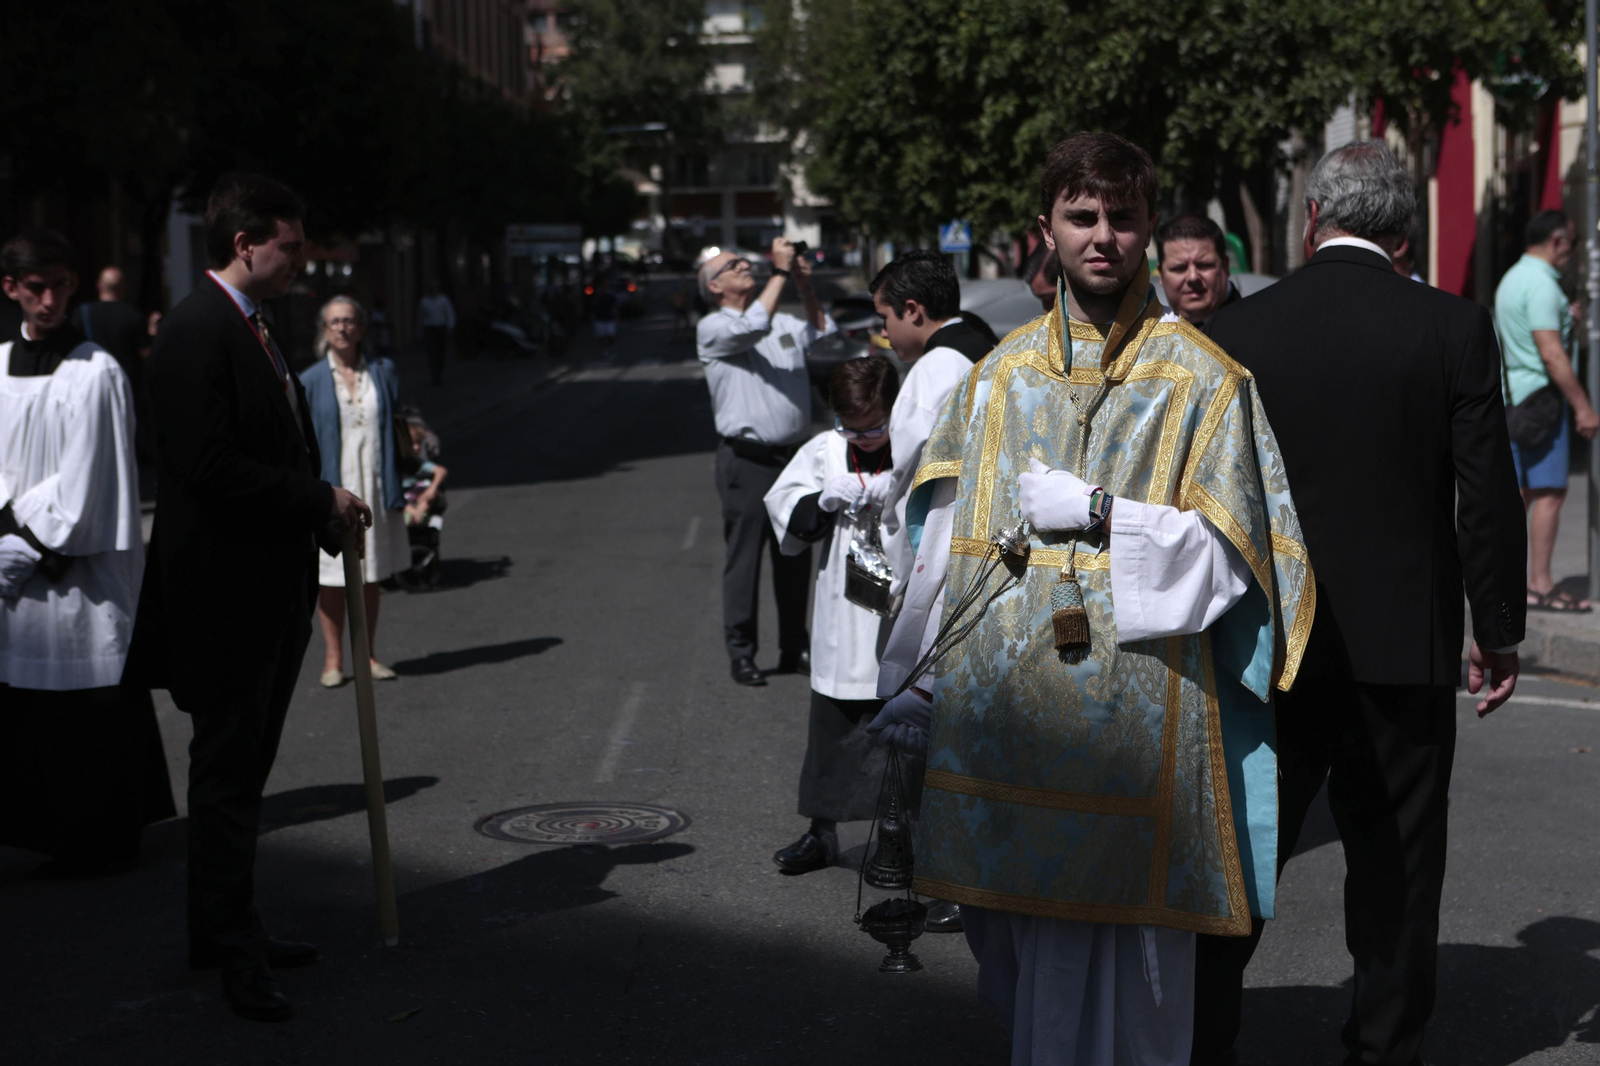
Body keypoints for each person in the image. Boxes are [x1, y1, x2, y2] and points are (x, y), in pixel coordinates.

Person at [868, 132, 1314, 1064]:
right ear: (1047, 231)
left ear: (1150, 226)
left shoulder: (1204, 381)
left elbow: (1241, 562)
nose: (1103, 236)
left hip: (1146, 723)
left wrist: (1108, 516)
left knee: (1144, 970)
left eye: (1123, 216)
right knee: (1032, 965)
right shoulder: (997, 381)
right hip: (1019, 726)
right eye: (1082, 216)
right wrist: (912, 678)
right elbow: (950, 543)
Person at [1198, 141, 1525, 1066]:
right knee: (1397, 869)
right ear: (1406, 229)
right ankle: (1383, 1047)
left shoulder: (1237, 333)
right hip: (1402, 646)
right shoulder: (1451, 327)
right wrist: (1496, 629)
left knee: (1244, 852)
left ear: (1311, 220)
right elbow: (1485, 495)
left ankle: (1201, 1035)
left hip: (1265, 643)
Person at [130, 173, 372, 1023]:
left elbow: (278, 445)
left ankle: (228, 926)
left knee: (243, 779)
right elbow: (207, 469)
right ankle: (232, 953)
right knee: (228, 781)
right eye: (291, 244)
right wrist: (317, 501)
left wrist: (320, 508)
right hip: (224, 601)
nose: (302, 258)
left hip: (268, 592)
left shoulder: (258, 325)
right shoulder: (197, 331)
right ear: (245, 244)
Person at [0, 230, 174, 876]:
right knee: (30, 707)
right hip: (15, 574)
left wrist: (16, 545)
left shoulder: (96, 371)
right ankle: (46, 834)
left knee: (85, 709)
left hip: (73, 569)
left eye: (60, 287)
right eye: (35, 287)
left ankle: (100, 836)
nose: (49, 300)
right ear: (11, 288)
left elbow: (86, 481)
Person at [764, 356, 900, 875]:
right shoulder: (824, 450)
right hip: (844, 611)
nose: (863, 438)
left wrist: (902, 494)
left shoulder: (915, 446)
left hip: (897, 608)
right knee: (832, 722)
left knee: (899, 730)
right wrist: (821, 503)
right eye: (851, 427)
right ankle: (821, 832)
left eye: (875, 426)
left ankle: (897, 836)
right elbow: (785, 511)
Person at [697, 238, 835, 687]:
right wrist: (778, 274)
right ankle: (741, 651)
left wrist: (803, 286)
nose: (744, 267)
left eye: (744, 261)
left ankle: (794, 645)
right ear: (715, 287)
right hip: (748, 459)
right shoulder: (714, 327)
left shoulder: (780, 320)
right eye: (732, 266)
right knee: (745, 559)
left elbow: (822, 331)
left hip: (794, 458)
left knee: (793, 552)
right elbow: (752, 326)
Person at [867, 250, 994, 591]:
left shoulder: (929, 374)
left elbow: (911, 483)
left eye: (884, 318)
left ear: (911, 310)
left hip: (947, 552)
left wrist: (898, 573)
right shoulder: (994, 350)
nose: (884, 331)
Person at [300, 296, 410, 688]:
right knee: (331, 578)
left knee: (368, 575)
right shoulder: (310, 380)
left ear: (361, 328)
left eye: (349, 321)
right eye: (335, 322)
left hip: (375, 488)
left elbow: (400, 421)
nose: (343, 328)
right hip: (334, 489)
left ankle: (368, 653)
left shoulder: (382, 372)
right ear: (325, 331)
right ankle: (333, 658)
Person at [1495, 208, 1596, 613]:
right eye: (1570, 242)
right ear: (1556, 241)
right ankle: (1538, 584)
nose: (1571, 250)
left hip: (1514, 396)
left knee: (1520, 494)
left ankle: (1508, 583)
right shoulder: (1541, 286)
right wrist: (1584, 407)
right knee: (1550, 493)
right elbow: (1551, 354)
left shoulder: (1515, 278)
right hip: (1540, 398)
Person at [1155, 214, 1240, 332]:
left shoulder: (1255, 327)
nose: (1193, 277)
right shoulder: (1149, 333)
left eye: (1204, 265)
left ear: (1225, 266)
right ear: (1161, 274)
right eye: (1179, 268)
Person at [417, 280, 455, 387]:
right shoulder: (424, 302)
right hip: (430, 329)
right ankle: (435, 376)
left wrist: (450, 327)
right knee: (432, 353)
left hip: (441, 328)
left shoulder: (443, 300)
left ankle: (439, 373)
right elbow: (420, 318)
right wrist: (420, 332)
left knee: (441, 353)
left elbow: (450, 314)